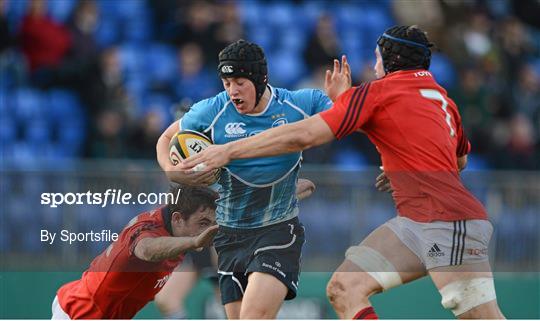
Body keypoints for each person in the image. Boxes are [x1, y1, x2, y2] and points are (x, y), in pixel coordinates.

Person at [179, 26, 506, 319]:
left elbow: (302, 135)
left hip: (449, 222)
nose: (373, 64)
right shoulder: (443, 99)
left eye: (377, 57)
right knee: (344, 289)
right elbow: (458, 160)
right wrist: (401, 164)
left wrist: (228, 150)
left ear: (389, 61)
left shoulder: (379, 92)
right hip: (414, 223)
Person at [156, 39, 332, 319]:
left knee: (253, 317)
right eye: (226, 82)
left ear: (260, 78)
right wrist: (170, 169)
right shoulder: (212, 110)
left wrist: (343, 101)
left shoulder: (299, 104)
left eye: (239, 81)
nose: (232, 91)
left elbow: (347, 119)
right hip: (229, 237)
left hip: (277, 232)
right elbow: (166, 138)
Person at [155, 179, 315, 319]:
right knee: (166, 299)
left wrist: (284, 196)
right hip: (201, 241)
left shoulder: (233, 169)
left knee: (240, 311)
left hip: (226, 242)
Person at [51, 185, 219, 319]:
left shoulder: (179, 222)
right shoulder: (150, 230)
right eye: (203, 223)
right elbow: (146, 249)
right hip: (81, 311)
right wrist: (194, 241)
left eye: (212, 223)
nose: (208, 230)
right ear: (177, 219)